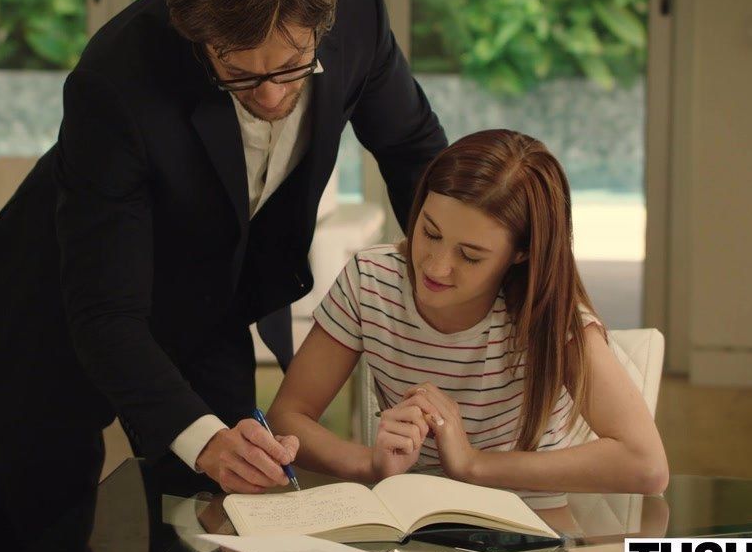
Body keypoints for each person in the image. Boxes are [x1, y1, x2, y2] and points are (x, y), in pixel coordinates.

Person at [0, 0, 447, 552]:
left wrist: (462, 268)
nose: (271, 96)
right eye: (241, 76)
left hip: (207, 295)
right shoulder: (115, 81)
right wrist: (203, 439)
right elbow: (105, 312)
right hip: (53, 310)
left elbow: (414, 149)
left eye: (293, 68)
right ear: (199, 40)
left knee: (216, 533)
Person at [268, 130, 668, 507]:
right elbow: (287, 418)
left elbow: (646, 465)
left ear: (521, 253)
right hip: (414, 516)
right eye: (430, 233)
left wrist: (472, 464)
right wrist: (370, 463)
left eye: (470, 255)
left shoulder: (550, 316)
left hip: (531, 522)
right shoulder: (372, 279)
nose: (436, 267)